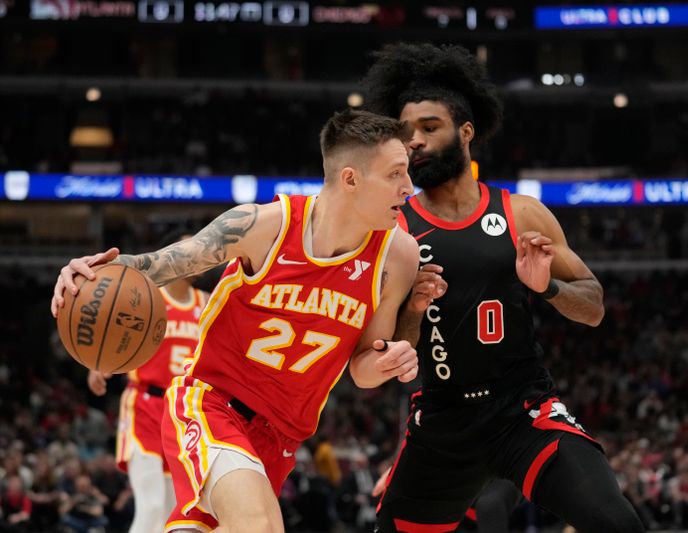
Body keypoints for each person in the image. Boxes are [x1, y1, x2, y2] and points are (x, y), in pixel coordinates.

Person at [51, 109, 422, 533]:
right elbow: (156, 266)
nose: (409, 188)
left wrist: (388, 361)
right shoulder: (262, 226)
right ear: (351, 178)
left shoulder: (399, 256)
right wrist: (87, 270)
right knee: (257, 527)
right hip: (212, 404)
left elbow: (362, 370)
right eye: (395, 174)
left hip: (283, 436)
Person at [362, 43, 645, 532]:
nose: (415, 143)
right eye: (406, 133)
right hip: (442, 420)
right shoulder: (392, 229)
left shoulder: (521, 213)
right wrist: (414, 305)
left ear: (466, 132)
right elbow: (394, 351)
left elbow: (594, 306)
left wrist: (548, 287)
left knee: (617, 523)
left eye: (430, 128)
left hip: (523, 411)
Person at [86, 232, 209, 533]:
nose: (196, 254)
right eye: (188, 247)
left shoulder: (206, 303)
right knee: (151, 505)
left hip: (182, 414)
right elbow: (111, 338)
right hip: (144, 406)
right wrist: (98, 365)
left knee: (171, 512)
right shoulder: (147, 297)